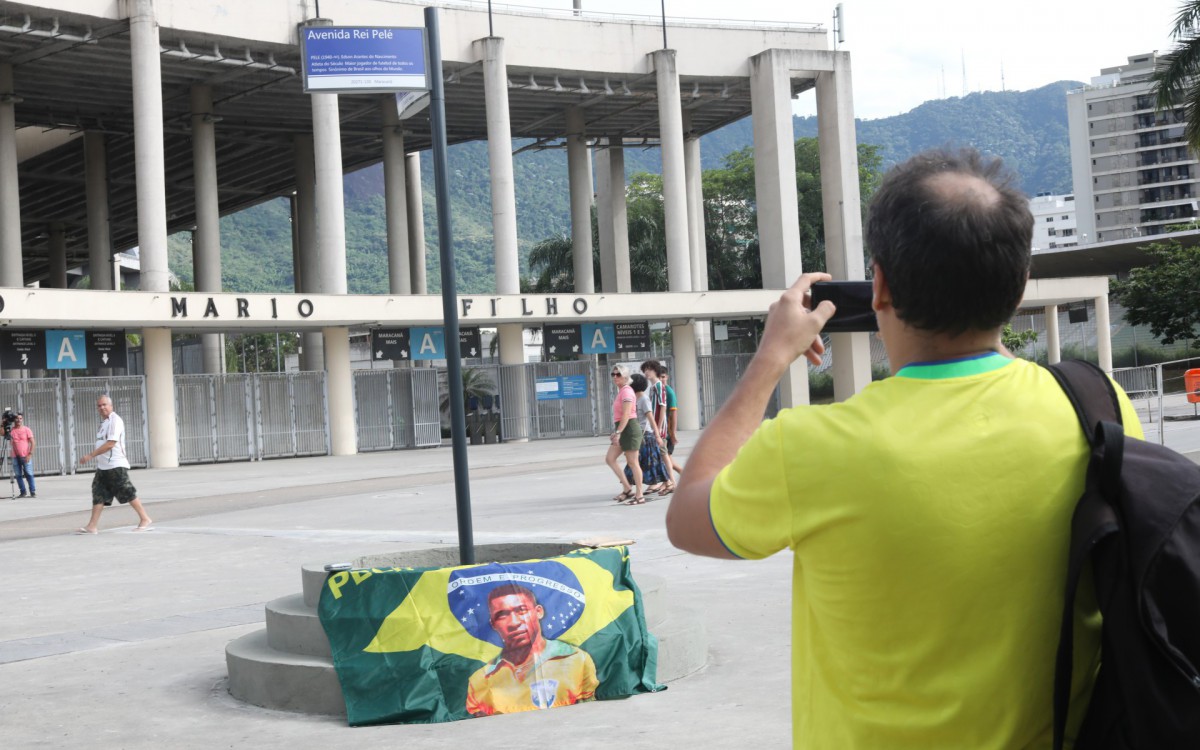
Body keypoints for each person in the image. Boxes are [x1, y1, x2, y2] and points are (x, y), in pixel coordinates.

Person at [664, 148, 1143, 749]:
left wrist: (769, 360)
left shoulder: (811, 446)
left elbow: (687, 520)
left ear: (880, 285)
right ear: (1019, 285)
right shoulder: (1096, 406)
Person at [465, 583, 599, 716]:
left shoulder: (577, 659)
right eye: (502, 615)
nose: (514, 622)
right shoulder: (480, 679)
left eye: (522, 610)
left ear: (538, 612)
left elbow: (588, 714)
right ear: (493, 624)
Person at [77, 395, 153, 534]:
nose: (102, 408)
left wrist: (90, 455)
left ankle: (145, 518)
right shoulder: (104, 423)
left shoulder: (115, 420)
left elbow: (111, 444)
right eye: (99, 406)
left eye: (104, 404)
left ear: (111, 406)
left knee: (126, 491)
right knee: (98, 493)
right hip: (103, 467)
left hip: (115, 465)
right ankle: (92, 526)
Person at [623, 372, 671, 499]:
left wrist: (657, 435)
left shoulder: (644, 399)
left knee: (650, 464)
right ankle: (630, 487)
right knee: (642, 463)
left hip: (646, 436)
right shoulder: (634, 398)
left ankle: (668, 483)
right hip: (638, 435)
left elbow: (650, 418)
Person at [605, 364, 644, 504]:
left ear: (626, 377)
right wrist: (617, 431)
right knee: (610, 458)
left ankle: (639, 495)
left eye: (618, 374)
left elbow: (627, 414)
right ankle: (627, 488)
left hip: (629, 429)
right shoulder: (621, 391)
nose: (615, 377)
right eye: (613, 374)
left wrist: (618, 432)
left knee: (633, 462)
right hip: (622, 428)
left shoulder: (627, 391)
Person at [639, 360, 677, 494]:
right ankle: (666, 482)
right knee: (661, 454)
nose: (646, 372)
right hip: (654, 426)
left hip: (658, 426)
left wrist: (659, 428)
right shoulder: (653, 387)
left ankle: (670, 482)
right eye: (645, 370)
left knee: (662, 454)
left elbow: (663, 407)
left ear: (656, 370)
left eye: (649, 369)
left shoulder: (659, 386)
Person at [660, 368, 684, 475]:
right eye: (659, 377)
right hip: (662, 430)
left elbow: (673, 413)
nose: (661, 379)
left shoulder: (669, 393)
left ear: (667, 377)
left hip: (667, 432)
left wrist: (673, 433)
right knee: (665, 457)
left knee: (665, 456)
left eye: (663, 377)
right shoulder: (660, 391)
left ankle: (680, 475)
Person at [10, 412, 36, 498]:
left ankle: (32, 492)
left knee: (29, 473)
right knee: (18, 475)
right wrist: (2, 423)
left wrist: (30, 454)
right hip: (14, 456)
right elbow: (2, 433)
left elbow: (33, 442)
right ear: (14, 419)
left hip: (25, 455)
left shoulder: (26, 429)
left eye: (20, 418)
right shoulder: (12, 430)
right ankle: (23, 492)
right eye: (17, 418)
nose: (18, 420)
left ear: (22, 419)